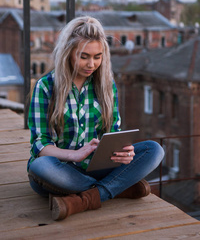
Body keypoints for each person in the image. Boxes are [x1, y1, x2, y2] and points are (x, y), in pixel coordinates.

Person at [27, 16, 164, 221]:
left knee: (154, 150)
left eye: (97, 56)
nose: (91, 64)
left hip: (97, 167)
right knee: (39, 166)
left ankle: (87, 198)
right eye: (84, 56)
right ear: (69, 53)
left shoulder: (106, 86)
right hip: (60, 169)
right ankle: (117, 188)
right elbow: (40, 145)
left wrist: (122, 153)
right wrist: (74, 155)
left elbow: (113, 134)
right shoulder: (46, 86)